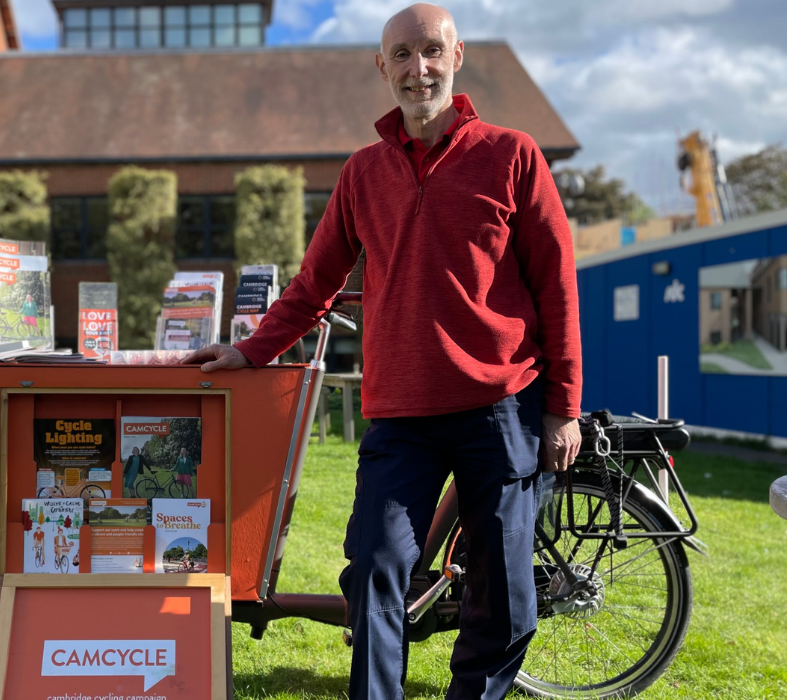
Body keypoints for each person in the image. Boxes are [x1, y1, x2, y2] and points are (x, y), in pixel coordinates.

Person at [183, 5, 582, 699]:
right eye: (402, 54)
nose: (417, 67)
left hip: (502, 407)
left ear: (456, 58)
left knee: (504, 589)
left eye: (431, 51)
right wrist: (252, 352)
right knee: (374, 566)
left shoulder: (513, 155)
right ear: (382, 67)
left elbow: (557, 290)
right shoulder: (363, 172)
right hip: (401, 415)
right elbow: (315, 283)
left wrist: (563, 408)